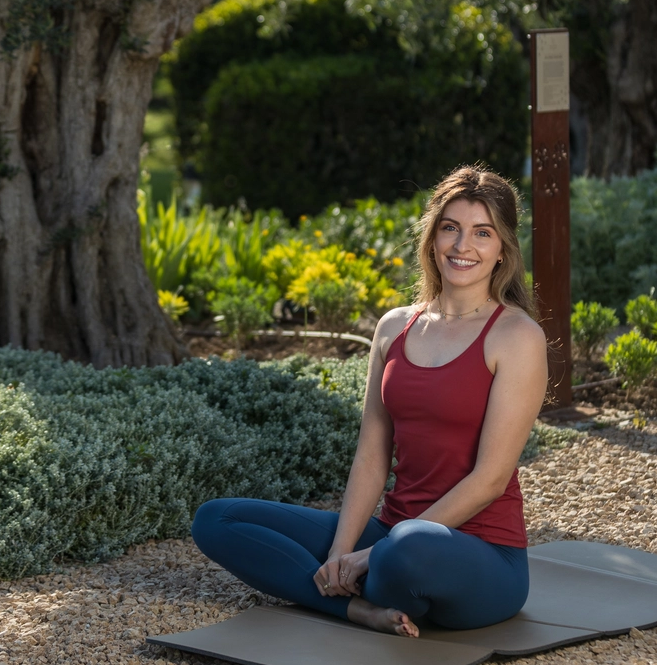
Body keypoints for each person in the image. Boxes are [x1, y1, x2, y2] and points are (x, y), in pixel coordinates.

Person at [192, 165, 549, 637]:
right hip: (391, 532)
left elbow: (490, 480)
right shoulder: (394, 327)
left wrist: (375, 554)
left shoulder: (517, 336)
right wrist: (343, 552)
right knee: (217, 519)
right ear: (432, 236)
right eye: (451, 228)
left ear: (503, 248)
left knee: (407, 549)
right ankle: (357, 608)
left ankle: (369, 578)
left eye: (482, 233)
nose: (463, 247)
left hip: (478, 554)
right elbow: (371, 454)